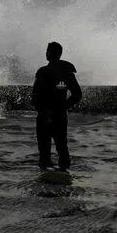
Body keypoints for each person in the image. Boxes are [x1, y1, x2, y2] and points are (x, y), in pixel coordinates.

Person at [32, 41, 82, 169]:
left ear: (50, 54)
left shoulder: (43, 72)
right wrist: (62, 107)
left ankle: (46, 181)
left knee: (45, 152)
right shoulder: (66, 72)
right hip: (58, 116)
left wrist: (46, 110)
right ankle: (64, 180)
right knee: (61, 149)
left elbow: (34, 98)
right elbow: (77, 95)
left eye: (48, 51)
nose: (47, 54)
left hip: (45, 116)